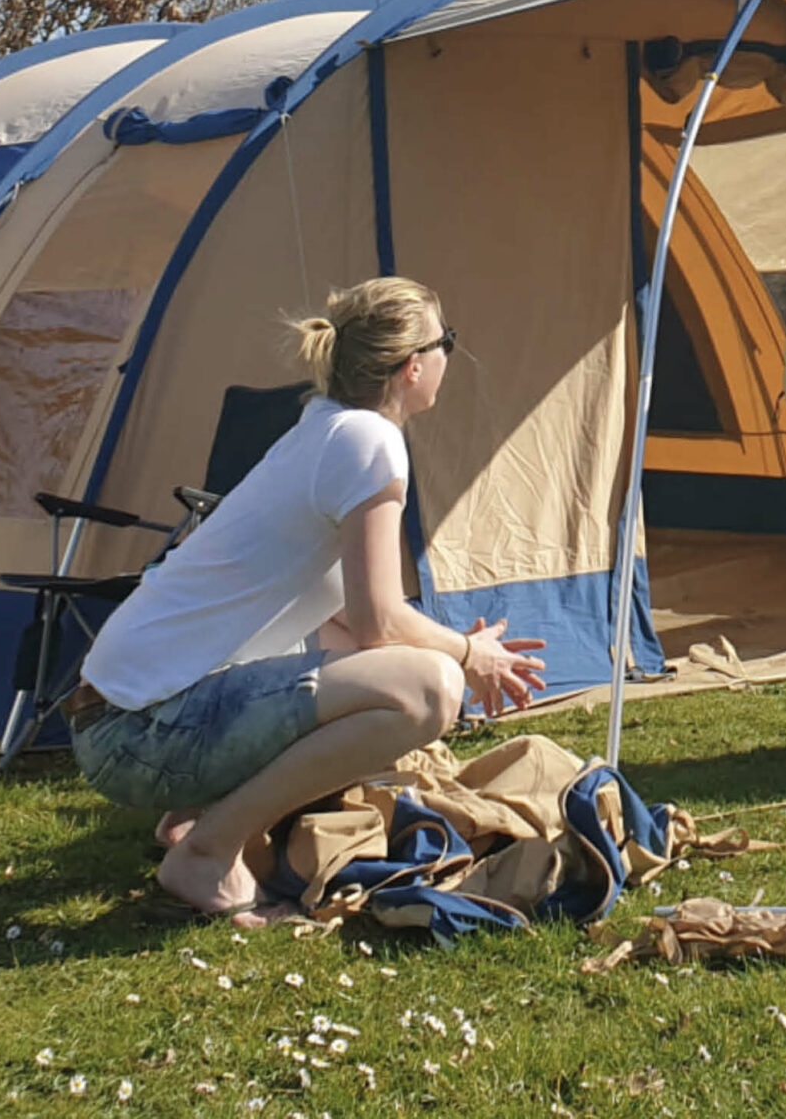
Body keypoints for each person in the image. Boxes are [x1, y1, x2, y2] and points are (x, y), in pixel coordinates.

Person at [68, 277, 546, 921]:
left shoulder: (322, 430)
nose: (447, 358)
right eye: (446, 342)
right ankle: (209, 851)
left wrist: (463, 650)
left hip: (115, 724)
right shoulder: (370, 441)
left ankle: (194, 815)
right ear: (413, 365)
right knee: (432, 688)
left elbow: (351, 619)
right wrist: (467, 654)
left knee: (363, 657)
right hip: (139, 736)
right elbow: (380, 622)